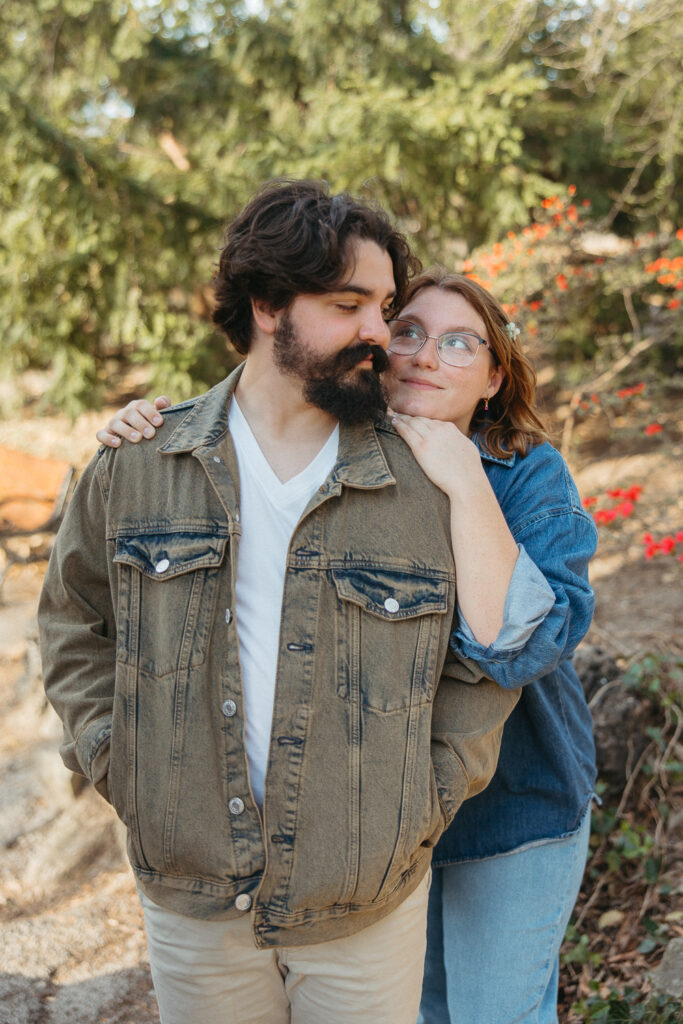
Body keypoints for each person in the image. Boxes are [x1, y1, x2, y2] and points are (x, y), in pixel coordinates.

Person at [38, 180, 519, 1024]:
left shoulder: (426, 478)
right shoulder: (141, 463)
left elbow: (486, 660)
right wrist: (115, 758)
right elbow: (74, 621)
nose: (380, 332)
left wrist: (427, 795)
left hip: (364, 894)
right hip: (191, 891)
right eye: (349, 305)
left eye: (383, 305)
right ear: (266, 305)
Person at [102, 266, 598, 1024]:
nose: (427, 356)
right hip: (360, 824)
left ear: (495, 376)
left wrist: (464, 479)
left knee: (496, 1013)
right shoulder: (333, 449)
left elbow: (521, 649)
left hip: (510, 807)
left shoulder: (523, 475)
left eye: (459, 343)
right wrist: (146, 427)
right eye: (409, 332)